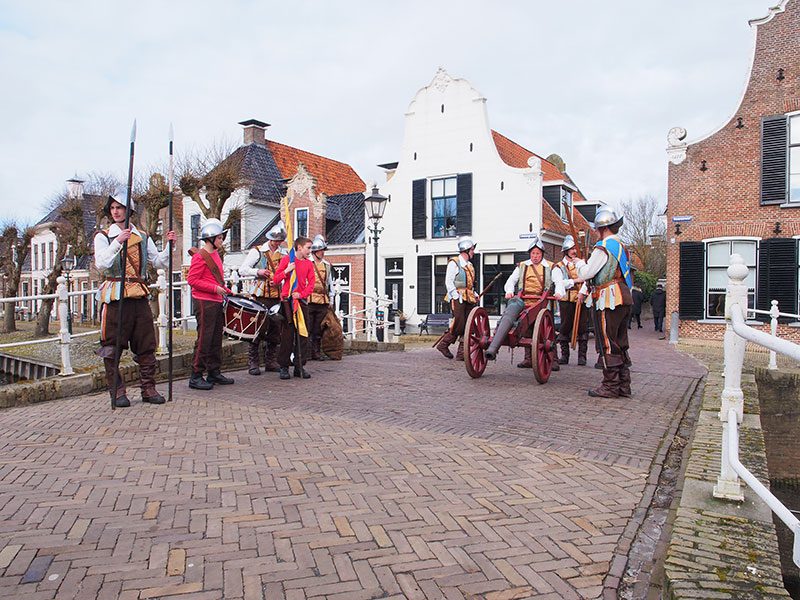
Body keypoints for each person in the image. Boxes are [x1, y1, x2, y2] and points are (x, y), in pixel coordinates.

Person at [94, 189, 176, 408]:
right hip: (115, 297)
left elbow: (159, 262)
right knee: (112, 346)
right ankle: (117, 391)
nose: (116, 212)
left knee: (146, 344)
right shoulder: (103, 236)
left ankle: (148, 388)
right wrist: (118, 241)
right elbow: (101, 263)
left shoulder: (142, 236)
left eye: (120, 208)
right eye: (112, 208)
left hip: (138, 294)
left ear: (129, 211)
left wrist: (169, 246)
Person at [575, 206, 633, 398]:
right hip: (623, 296)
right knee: (621, 341)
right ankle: (624, 385)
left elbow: (587, 273)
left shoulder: (604, 247)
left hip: (609, 298)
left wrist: (580, 264)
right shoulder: (622, 247)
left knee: (608, 341)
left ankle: (610, 385)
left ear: (603, 229)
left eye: (597, 230)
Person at [186, 219, 235, 390]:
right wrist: (215, 288)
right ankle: (196, 375)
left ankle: (214, 371)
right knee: (204, 339)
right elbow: (192, 280)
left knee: (215, 339)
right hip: (204, 302)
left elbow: (215, 279)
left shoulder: (216, 255)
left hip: (215, 301)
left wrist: (227, 291)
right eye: (220, 238)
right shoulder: (200, 256)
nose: (222, 241)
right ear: (211, 239)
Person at [503, 236, 559, 371]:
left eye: (538, 254)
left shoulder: (551, 267)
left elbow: (558, 281)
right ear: (530, 254)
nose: (535, 256)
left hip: (544, 302)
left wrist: (559, 292)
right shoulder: (522, 266)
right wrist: (509, 291)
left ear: (542, 254)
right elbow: (511, 281)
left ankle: (553, 360)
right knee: (525, 328)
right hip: (524, 302)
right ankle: (528, 358)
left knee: (547, 332)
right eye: (533, 253)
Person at [238, 221, 287, 375]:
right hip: (260, 296)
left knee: (275, 329)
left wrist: (281, 281)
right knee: (257, 329)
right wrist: (258, 272)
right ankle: (253, 362)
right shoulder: (257, 251)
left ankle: (270, 361)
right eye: (274, 241)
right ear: (270, 239)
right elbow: (243, 269)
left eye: (279, 241)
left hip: (277, 295)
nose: (276, 244)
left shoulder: (284, 254)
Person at [274, 237, 315, 380]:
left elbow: (311, 284)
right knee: (287, 335)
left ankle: (299, 366)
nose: (310, 251)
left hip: (301, 301)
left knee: (303, 335)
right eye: (308, 248)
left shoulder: (309, 264)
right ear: (299, 247)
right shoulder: (287, 260)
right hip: (288, 302)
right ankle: (284, 366)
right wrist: (287, 270)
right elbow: (276, 279)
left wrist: (301, 294)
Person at [435, 237, 478, 361]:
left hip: (468, 297)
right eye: (472, 250)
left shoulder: (470, 265)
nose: (473, 252)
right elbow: (449, 282)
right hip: (458, 297)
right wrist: (455, 296)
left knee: (469, 324)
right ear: (466, 250)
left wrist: (474, 293)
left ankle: (461, 353)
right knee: (459, 323)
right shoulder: (454, 263)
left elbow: (470, 284)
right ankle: (444, 344)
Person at [552, 235, 590, 366]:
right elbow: (559, 283)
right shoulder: (559, 266)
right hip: (566, 299)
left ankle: (582, 356)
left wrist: (582, 292)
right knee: (565, 326)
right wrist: (574, 281)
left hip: (581, 298)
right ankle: (564, 356)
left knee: (582, 327)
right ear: (566, 251)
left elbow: (588, 279)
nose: (574, 251)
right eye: (571, 249)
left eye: (575, 248)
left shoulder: (582, 264)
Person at [308, 234, 334, 361]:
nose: (323, 252)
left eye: (323, 250)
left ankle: (316, 352)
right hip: (309, 299)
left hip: (323, 300)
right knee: (307, 327)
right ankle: (306, 351)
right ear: (315, 251)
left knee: (318, 328)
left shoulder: (326, 265)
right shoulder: (307, 263)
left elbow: (330, 283)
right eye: (321, 250)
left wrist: (331, 300)